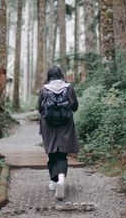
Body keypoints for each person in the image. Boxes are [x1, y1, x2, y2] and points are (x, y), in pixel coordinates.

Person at [38, 66, 79, 200]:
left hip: (48, 126)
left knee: (52, 152)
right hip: (65, 125)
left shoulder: (44, 89)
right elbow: (75, 106)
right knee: (62, 154)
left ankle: (53, 182)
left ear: (49, 76)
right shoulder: (68, 87)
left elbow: (40, 109)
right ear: (61, 75)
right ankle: (60, 179)